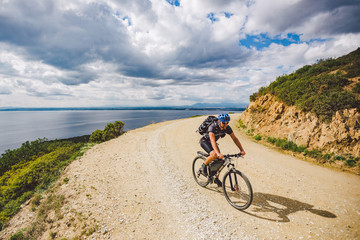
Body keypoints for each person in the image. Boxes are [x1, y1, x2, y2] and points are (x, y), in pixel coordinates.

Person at [199, 113, 246, 187]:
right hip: (205, 142)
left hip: (213, 143)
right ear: (219, 121)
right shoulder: (212, 127)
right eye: (223, 122)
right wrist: (217, 153)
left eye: (227, 122)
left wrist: (241, 150)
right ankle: (203, 166)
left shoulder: (227, 127)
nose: (225, 124)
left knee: (221, 161)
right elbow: (212, 140)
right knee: (214, 154)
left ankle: (216, 178)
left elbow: (234, 138)